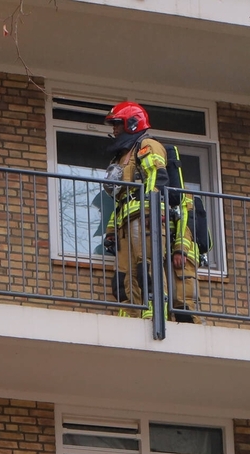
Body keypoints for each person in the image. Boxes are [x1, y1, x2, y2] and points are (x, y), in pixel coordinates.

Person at [102, 102, 168, 320]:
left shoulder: (146, 145)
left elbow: (157, 178)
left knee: (147, 265)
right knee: (124, 276)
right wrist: (112, 228)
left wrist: (152, 210)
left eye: (117, 124)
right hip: (125, 223)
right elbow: (121, 198)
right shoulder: (122, 156)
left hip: (144, 218)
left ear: (131, 123)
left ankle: (154, 313)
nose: (114, 129)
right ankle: (129, 317)